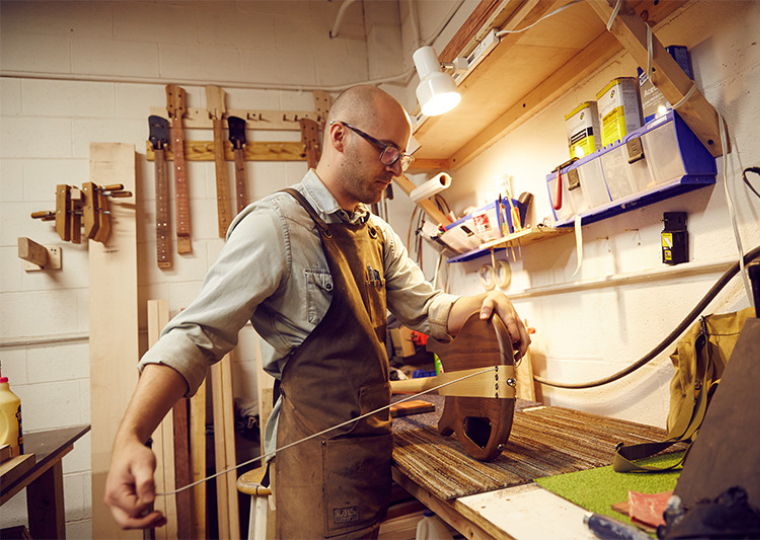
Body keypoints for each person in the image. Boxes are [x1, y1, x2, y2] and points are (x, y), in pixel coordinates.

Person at [104, 84, 530, 538]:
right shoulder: (276, 226)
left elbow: (428, 308)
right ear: (339, 136)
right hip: (314, 462)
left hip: (368, 455)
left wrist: (486, 304)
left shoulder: (377, 235)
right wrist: (132, 436)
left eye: (402, 155)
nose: (397, 167)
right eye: (387, 151)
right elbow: (194, 335)